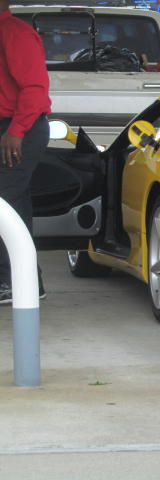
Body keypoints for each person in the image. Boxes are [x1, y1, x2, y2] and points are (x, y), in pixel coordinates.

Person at [0, 0, 51, 304]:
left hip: (20, 128)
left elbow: (34, 87)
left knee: (5, 204)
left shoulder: (14, 32)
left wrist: (16, 131)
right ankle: (27, 282)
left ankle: (12, 282)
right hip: (11, 127)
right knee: (12, 204)